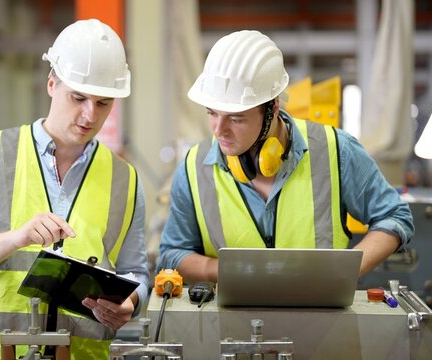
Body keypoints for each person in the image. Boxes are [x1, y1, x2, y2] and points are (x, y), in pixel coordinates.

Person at [0, 19, 149, 360]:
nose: (90, 115)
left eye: (104, 103)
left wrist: (131, 303)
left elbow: (136, 271)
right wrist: (16, 238)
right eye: (78, 97)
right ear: (51, 83)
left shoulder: (125, 178)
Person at [157, 30, 414, 284]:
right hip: (231, 323)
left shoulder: (336, 151)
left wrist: (342, 274)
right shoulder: (194, 168)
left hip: (321, 320)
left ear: (273, 108)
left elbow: (395, 216)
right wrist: (231, 270)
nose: (218, 130)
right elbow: (172, 254)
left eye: (235, 118)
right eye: (212, 113)